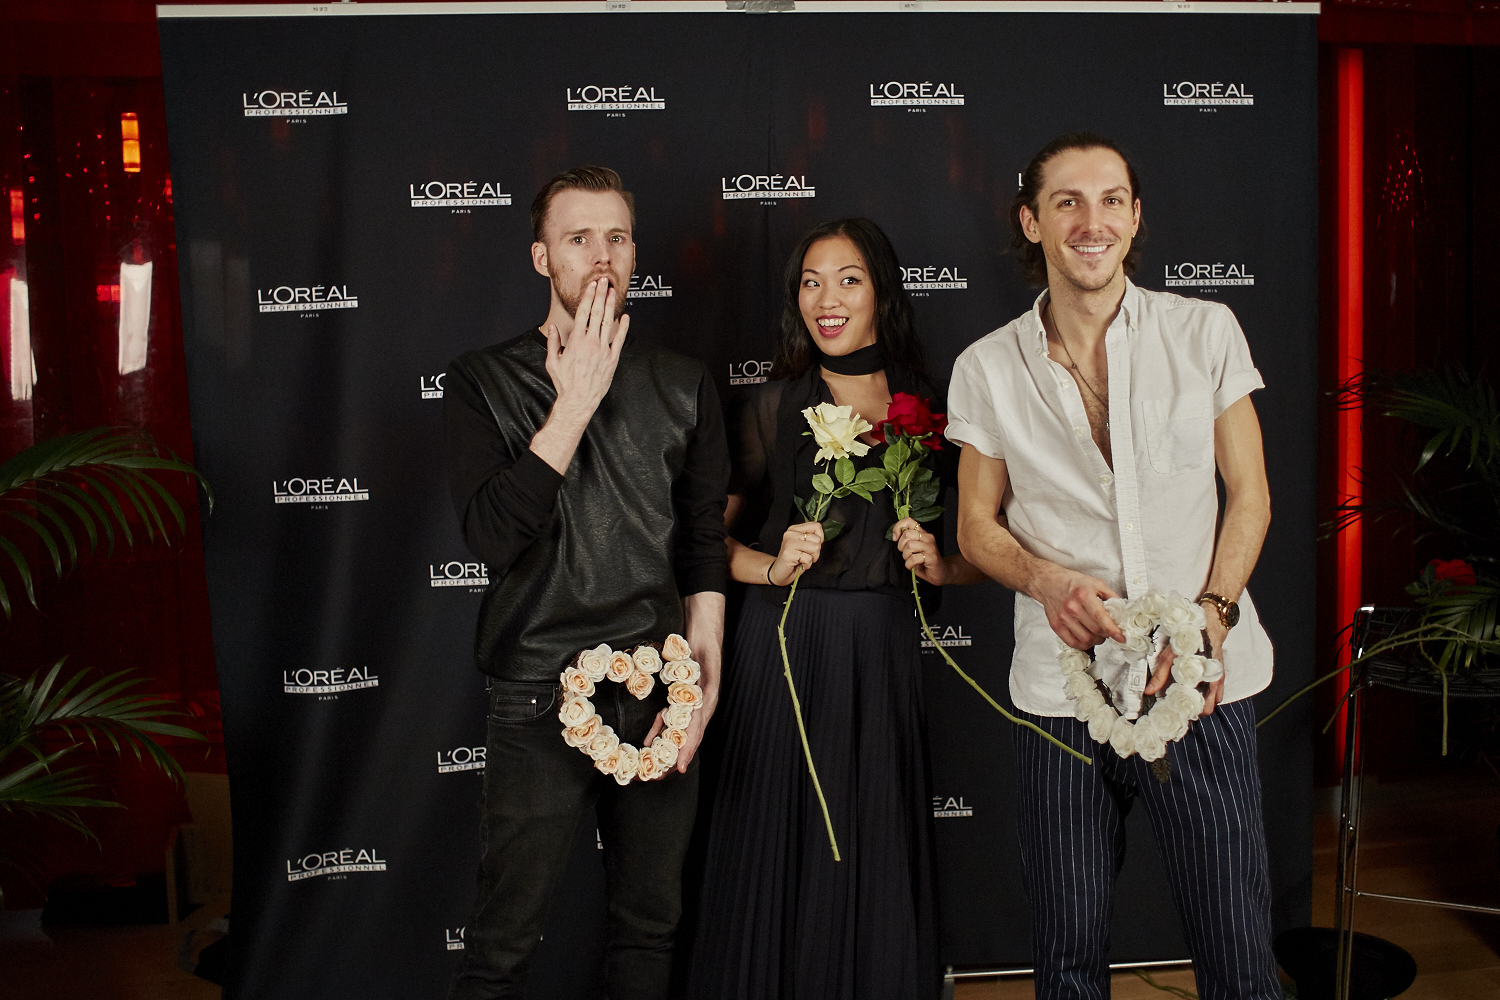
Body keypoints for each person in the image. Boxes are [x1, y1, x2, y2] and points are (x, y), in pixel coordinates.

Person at [947, 133, 1279, 1000]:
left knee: (1240, 956)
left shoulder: (1205, 331)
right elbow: (975, 530)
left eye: (1111, 201)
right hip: (1061, 699)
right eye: (1068, 202)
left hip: (1201, 685)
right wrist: (1047, 581)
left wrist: (1209, 617)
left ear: (1135, 218)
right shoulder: (985, 367)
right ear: (1032, 220)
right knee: (1065, 956)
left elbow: (1250, 498)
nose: (1092, 223)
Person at [443, 165, 728, 1000]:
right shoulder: (481, 381)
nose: (601, 257)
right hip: (535, 691)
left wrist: (705, 670)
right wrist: (571, 405)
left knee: (649, 931)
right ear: (542, 258)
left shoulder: (683, 382)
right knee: (501, 945)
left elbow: (702, 542)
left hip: (659, 688)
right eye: (578, 239)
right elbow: (492, 536)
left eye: (616, 237)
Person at [688, 218, 984, 1000]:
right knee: (776, 835)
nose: (828, 298)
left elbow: (994, 533)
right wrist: (771, 566)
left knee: (871, 833)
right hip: (786, 651)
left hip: (882, 651)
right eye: (811, 281)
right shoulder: (774, 403)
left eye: (848, 278)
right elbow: (703, 543)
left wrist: (945, 564)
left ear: (882, 290)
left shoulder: (927, 409)